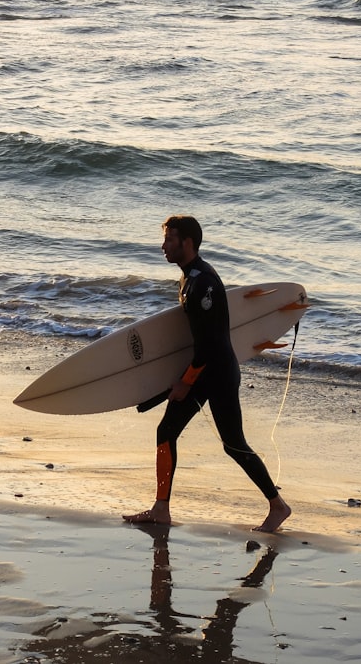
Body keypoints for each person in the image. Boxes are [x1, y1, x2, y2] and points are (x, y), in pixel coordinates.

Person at [123, 215, 292, 533]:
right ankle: (161, 509)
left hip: (218, 372)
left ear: (187, 242)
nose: (164, 245)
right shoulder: (190, 277)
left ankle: (278, 505)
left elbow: (211, 344)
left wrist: (185, 383)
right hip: (206, 370)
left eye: (170, 239)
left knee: (233, 444)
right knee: (167, 431)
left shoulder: (203, 283)